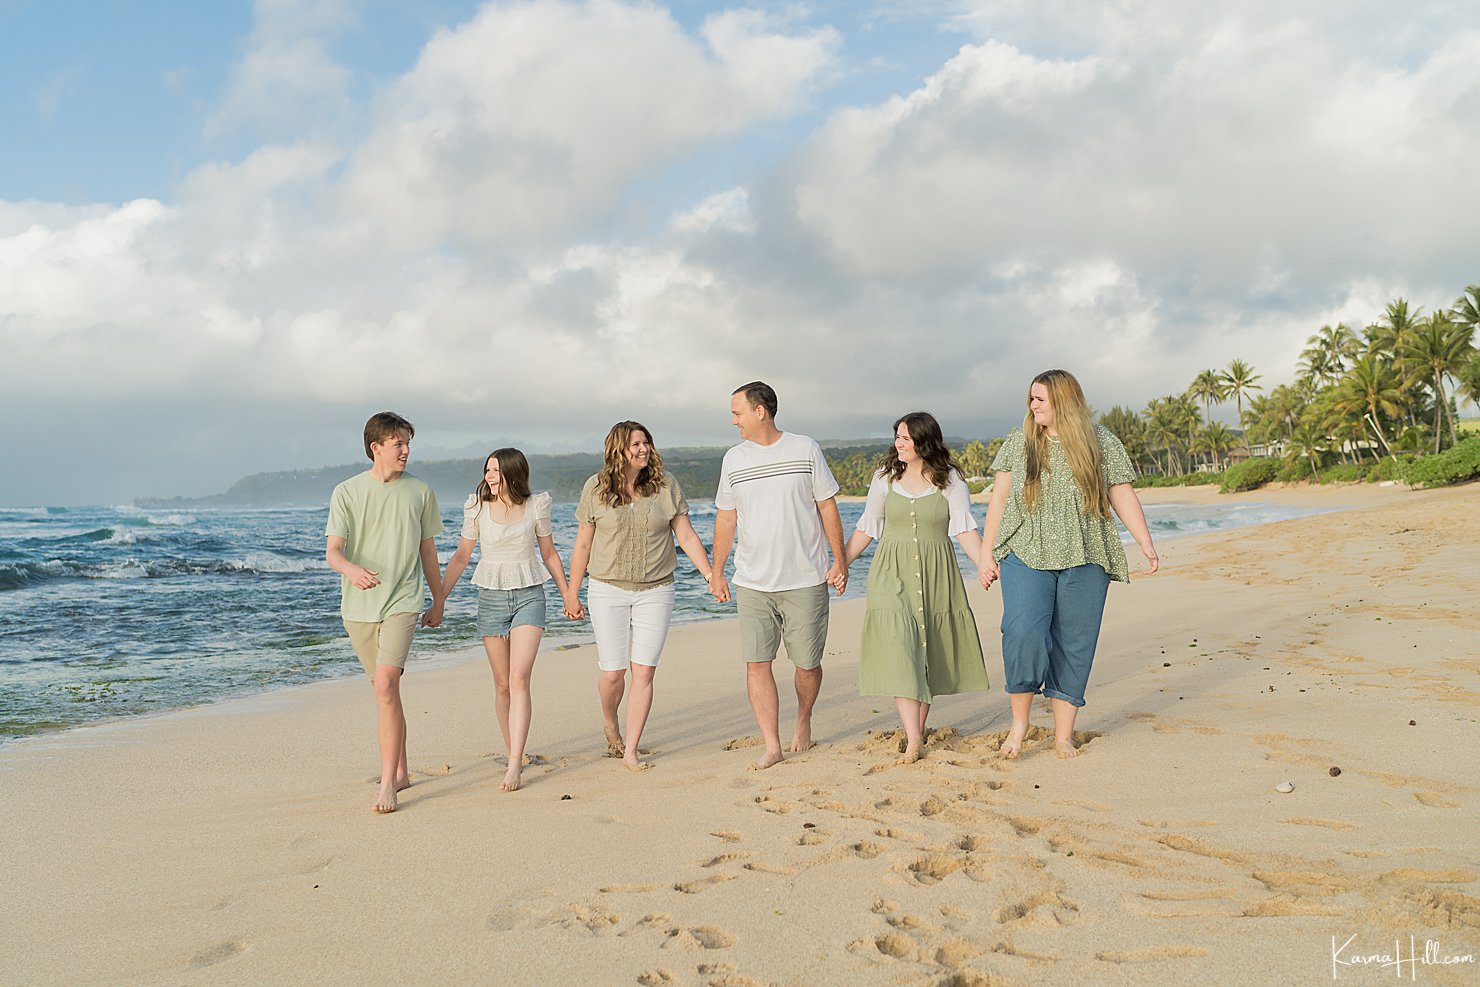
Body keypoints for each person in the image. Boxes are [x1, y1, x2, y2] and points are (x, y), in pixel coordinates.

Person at [979, 369, 1159, 759]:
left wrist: (1144, 541)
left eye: (1040, 399)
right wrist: (985, 554)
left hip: (1087, 551)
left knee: (1076, 642)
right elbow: (998, 500)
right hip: (1026, 550)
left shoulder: (1102, 442)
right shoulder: (1020, 441)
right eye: (1031, 398)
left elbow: (1121, 494)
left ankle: (1063, 734)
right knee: (1022, 631)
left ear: (1063, 401)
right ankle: (1019, 726)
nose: (1033, 405)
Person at [710, 381, 847, 770]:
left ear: (760, 411)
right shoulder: (733, 459)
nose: (732, 420)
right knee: (757, 662)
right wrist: (717, 571)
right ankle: (772, 744)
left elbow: (827, 507)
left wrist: (840, 561)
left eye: (737, 412)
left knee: (806, 663)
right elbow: (726, 517)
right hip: (752, 581)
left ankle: (802, 720)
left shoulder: (805, 449)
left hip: (805, 577)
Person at [567, 421, 716, 770]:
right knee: (613, 673)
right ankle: (610, 722)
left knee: (643, 672)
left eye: (646, 442)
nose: (643, 449)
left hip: (657, 590)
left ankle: (631, 749)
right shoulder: (596, 487)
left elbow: (688, 536)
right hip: (606, 589)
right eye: (635, 444)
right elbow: (583, 544)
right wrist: (572, 593)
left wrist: (710, 575)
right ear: (618, 449)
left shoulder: (666, 486)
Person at [842, 412, 990, 764]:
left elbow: (964, 529)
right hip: (889, 572)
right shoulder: (884, 477)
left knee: (927, 652)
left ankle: (917, 732)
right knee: (899, 649)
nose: (899, 443)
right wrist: (840, 563)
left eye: (906, 437)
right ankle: (913, 738)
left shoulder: (950, 479)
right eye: (897, 436)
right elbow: (868, 526)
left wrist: (984, 562)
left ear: (924, 441)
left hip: (937, 572)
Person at [430, 449, 578, 793]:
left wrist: (568, 594)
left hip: (529, 594)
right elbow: (462, 556)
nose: (489, 475)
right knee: (501, 683)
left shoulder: (536, 505)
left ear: (513, 472)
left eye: (495, 470)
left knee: (518, 677)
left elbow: (549, 553)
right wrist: (439, 600)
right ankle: (514, 749)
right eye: (487, 469)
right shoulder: (477, 507)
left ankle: (515, 765)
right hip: (491, 598)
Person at [325, 411, 444, 813]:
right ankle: (403, 772)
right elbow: (333, 552)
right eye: (398, 444)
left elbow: (428, 551)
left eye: (408, 442)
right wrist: (351, 570)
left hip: (403, 600)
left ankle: (387, 785)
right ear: (376, 448)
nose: (406, 450)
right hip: (357, 608)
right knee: (386, 692)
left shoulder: (421, 492)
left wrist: (439, 599)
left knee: (384, 684)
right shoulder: (346, 492)